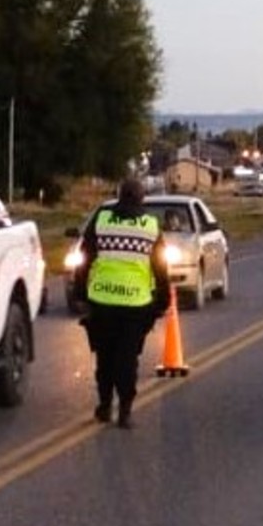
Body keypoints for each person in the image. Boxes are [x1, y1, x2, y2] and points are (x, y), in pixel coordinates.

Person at [72, 177, 171, 429]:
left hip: (102, 302)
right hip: (136, 305)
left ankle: (105, 405)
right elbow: (160, 267)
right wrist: (163, 300)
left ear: (118, 196)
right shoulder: (149, 225)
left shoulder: (102, 220)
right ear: (141, 199)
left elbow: (84, 260)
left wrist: (80, 293)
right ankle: (125, 410)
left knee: (105, 358)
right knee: (127, 360)